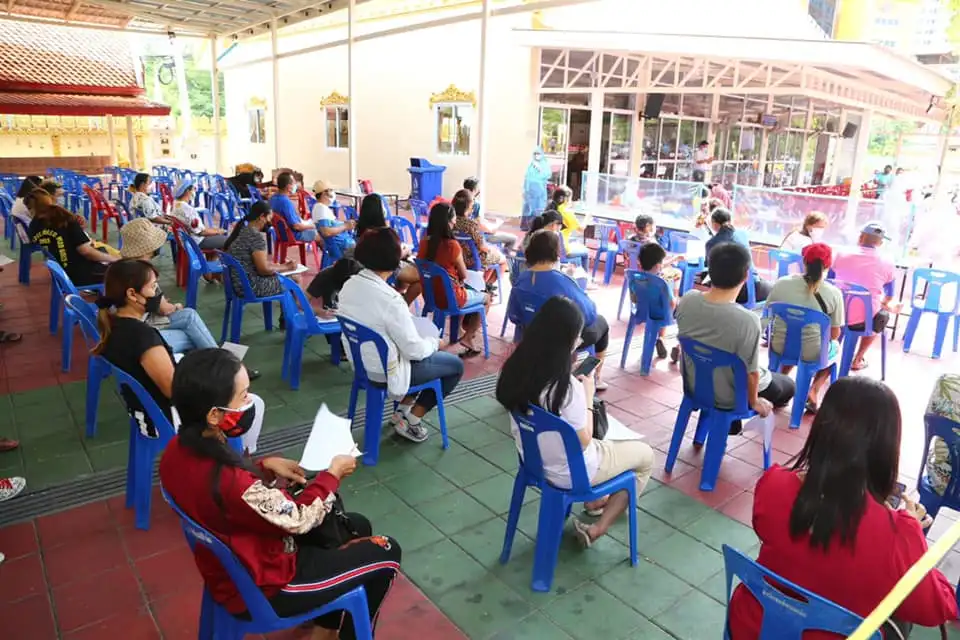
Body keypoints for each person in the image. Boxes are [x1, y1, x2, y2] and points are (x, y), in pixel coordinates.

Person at [159, 348, 400, 640]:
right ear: (214, 414)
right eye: (243, 396)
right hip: (269, 587)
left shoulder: (176, 451)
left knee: (355, 525)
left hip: (231, 567)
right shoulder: (232, 483)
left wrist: (264, 467)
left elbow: (235, 494)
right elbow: (298, 519)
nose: (249, 403)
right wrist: (332, 474)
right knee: (387, 550)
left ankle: (324, 630)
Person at [727, 378, 958, 639]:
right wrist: (913, 535)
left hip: (752, 627)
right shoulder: (896, 533)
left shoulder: (773, 484)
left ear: (822, 429)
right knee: (898, 621)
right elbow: (937, 608)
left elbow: (770, 530)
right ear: (886, 447)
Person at [496, 296, 655, 546]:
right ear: (566, 342)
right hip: (572, 473)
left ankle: (596, 503)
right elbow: (584, 440)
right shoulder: (567, 389)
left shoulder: (515, 369)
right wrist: (588, 395)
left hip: (533, 463)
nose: (579, 343)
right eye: (577, 338)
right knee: (645, 457)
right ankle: (597, 528)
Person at [93, 260, 262, 444]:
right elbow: (174, 392)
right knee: (253, 404)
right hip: (164, 419)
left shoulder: (115, 325)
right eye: (153, 287)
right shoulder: (143, 337)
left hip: (143, 410)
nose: (157, 293)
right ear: (132, 294)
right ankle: (240, 459)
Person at [339, 228, 464, 443]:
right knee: (454, 366)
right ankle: (413, 419)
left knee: (425, 358)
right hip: (388, 370)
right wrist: (435, 343)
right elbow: (414, 351)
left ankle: (402, 412)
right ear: (393, 259)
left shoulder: (349, 285)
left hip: (362, 364)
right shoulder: (391, 300)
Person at [676, 242, 796, 433]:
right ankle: (731, 420)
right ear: (746, 275)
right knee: (788, 385)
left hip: (695, 385)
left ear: (710, 270)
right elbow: (752, 373)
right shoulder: (747, 320)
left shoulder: (688, 299)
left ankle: (726, 423)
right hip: (731, 396)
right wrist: (754, 401)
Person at [510, 230, 610, 389]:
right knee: (602, 323)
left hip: (532, 335)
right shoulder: (562, 281)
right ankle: (594, 377)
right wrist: (572, 280)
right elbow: (589, 315)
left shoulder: (522, 278)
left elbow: (514, 315)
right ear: (556, 252)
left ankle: (570, 367)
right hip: (561, 339)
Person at [119, 218, 218, 353]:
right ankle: (224, 365)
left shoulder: (121, 267)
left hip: (130, 327)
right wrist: (175, 306)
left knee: (190, 318)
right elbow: (164, 309)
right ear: (149, 248)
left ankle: (217, 361)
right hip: (141, 333)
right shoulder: (143, 273)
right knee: (195, 335)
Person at [765, 243, 843, 413]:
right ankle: (813, 391)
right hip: (812, 352)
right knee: (835, 348)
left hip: (779, 346)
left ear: (804, 262)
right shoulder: (834, 293)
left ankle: (780, 384)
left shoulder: (782, 283)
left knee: (791, 340)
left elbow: (767, 314)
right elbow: (835, 334)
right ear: (828, 266)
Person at [418, 202, 490, 356]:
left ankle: (458, 330)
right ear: (448, 222)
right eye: (453, 219)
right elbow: (464, 275)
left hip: (430, 297)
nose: (455, 222)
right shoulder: (452, 246)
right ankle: (468, 337)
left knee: (461, 289)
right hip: (453, 298)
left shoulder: (424, 242)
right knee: (486, 298)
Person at [832, 222, 897, 372]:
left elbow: (831, 282)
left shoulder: (841, 254)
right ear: (880, 243)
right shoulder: (887, 261)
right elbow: (889, 296)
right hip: (862, 322)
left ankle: (830, 353)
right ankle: (857, 359)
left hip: (835, 315)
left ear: (861, 237)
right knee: (882, 316)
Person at [29, 190, 119, 286]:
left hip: (60, 274)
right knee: (124, 271)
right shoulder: (65, 219)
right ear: (51, 199)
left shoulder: (33, 226)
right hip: (80, 275)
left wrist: (78, 230)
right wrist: (115, 260)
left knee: (102, 252)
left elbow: (57, 241)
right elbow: (86, 252)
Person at [224, 201, 302, 298]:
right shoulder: (256, 237)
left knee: (282, 274)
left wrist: (279, 266)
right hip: (251, 287)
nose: (270, 223)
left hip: (237, 283)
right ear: (262, 217)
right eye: (269, 219)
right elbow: (263, 270)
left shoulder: (243, 230)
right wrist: (287, 267)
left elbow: (256, 263)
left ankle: (289, 311)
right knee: (294, 278)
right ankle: (296, 310)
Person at [355, 194, 421, 305]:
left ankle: (397, 293)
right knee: (422, 279)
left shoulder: (359, 229)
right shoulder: (383, 232)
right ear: (379, 211)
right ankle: (403, 304)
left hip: (369, 265)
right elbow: (391, 255)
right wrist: (405, 250)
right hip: (385, 266)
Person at [704, 208, 770, 304]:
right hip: (754, 286)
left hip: (732, 292)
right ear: (730, 220)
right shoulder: (742, 234)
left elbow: (710, 269)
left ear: (714, 224)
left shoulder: (712, 243)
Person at [636, 242, 680, 363]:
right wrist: (675, 301)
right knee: (682, 312)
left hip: (640, 311)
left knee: (660, 306)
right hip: (660, 314)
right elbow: (671, 304)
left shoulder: (635, 276)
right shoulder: (662, 282)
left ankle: (661, 338)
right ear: (658, 265)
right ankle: (678, 346)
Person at [451, 189, 506, 277]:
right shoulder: (472, 225)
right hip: (474, 259)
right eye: (472, 205)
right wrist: (491, 249)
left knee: (493, 254)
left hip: (456, 258)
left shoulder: (450, 222)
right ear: (468, 206)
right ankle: (485, 285)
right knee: (502, 260)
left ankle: (483, 284)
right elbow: (482, 247)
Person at [462, 177, 518, 253]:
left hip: (466, 238)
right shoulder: (475, 205)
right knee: (513, 238)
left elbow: (475, 222)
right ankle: (502, 259)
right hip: (478, 239)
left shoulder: (457, 203)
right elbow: (477, 225)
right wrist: (491, 229)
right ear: (475, 190)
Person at [171, 178, 227, 251]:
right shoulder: (189, 210)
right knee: (227, 240)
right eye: (194, 189)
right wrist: (218, 231)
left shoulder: (175, 204)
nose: (195, 191)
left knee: (216, 234)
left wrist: (214, 231)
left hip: (184, 239)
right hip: (196, 241)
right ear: (188, 191)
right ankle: (213, 260)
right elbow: (201, 232)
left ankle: (210, 259)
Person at [311, 180, 355, 260]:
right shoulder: (321, 209)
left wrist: (343, 224)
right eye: (331, 190)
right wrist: (345, 226)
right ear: (324, 193)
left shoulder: (320, 207)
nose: (333, 193)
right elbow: (326, 232)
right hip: (341, 247)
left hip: (341, 244)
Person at [269, 172, 317, 243]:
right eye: (294, 183)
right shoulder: (285, 202)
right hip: (292, 235)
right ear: (288, 187)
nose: (295, 185)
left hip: (280, 233)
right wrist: (313, 226)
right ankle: (328, 253)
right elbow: (296, 226)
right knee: (323, 233)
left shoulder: (272, 198)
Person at [550, 186, 589, 264]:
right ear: (566, 199)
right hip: (562, 250)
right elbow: (581, 229)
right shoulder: (567, 213)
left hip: (551, 247)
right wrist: (587, 217)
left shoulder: (551, 209)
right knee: (586, 252)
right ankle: (583, 275)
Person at [522, 146, 551, 223]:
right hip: (529, 192)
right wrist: (524, 190)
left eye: (538, 153)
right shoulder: (531, 164)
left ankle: (535, 225)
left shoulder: (544, 164)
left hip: (539, 192)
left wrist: (539, 169)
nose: (536, 155)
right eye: (535, 154)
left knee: (538, 209)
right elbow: (527, 177)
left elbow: (547, 175)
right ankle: (525, 225)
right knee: (528, 208)